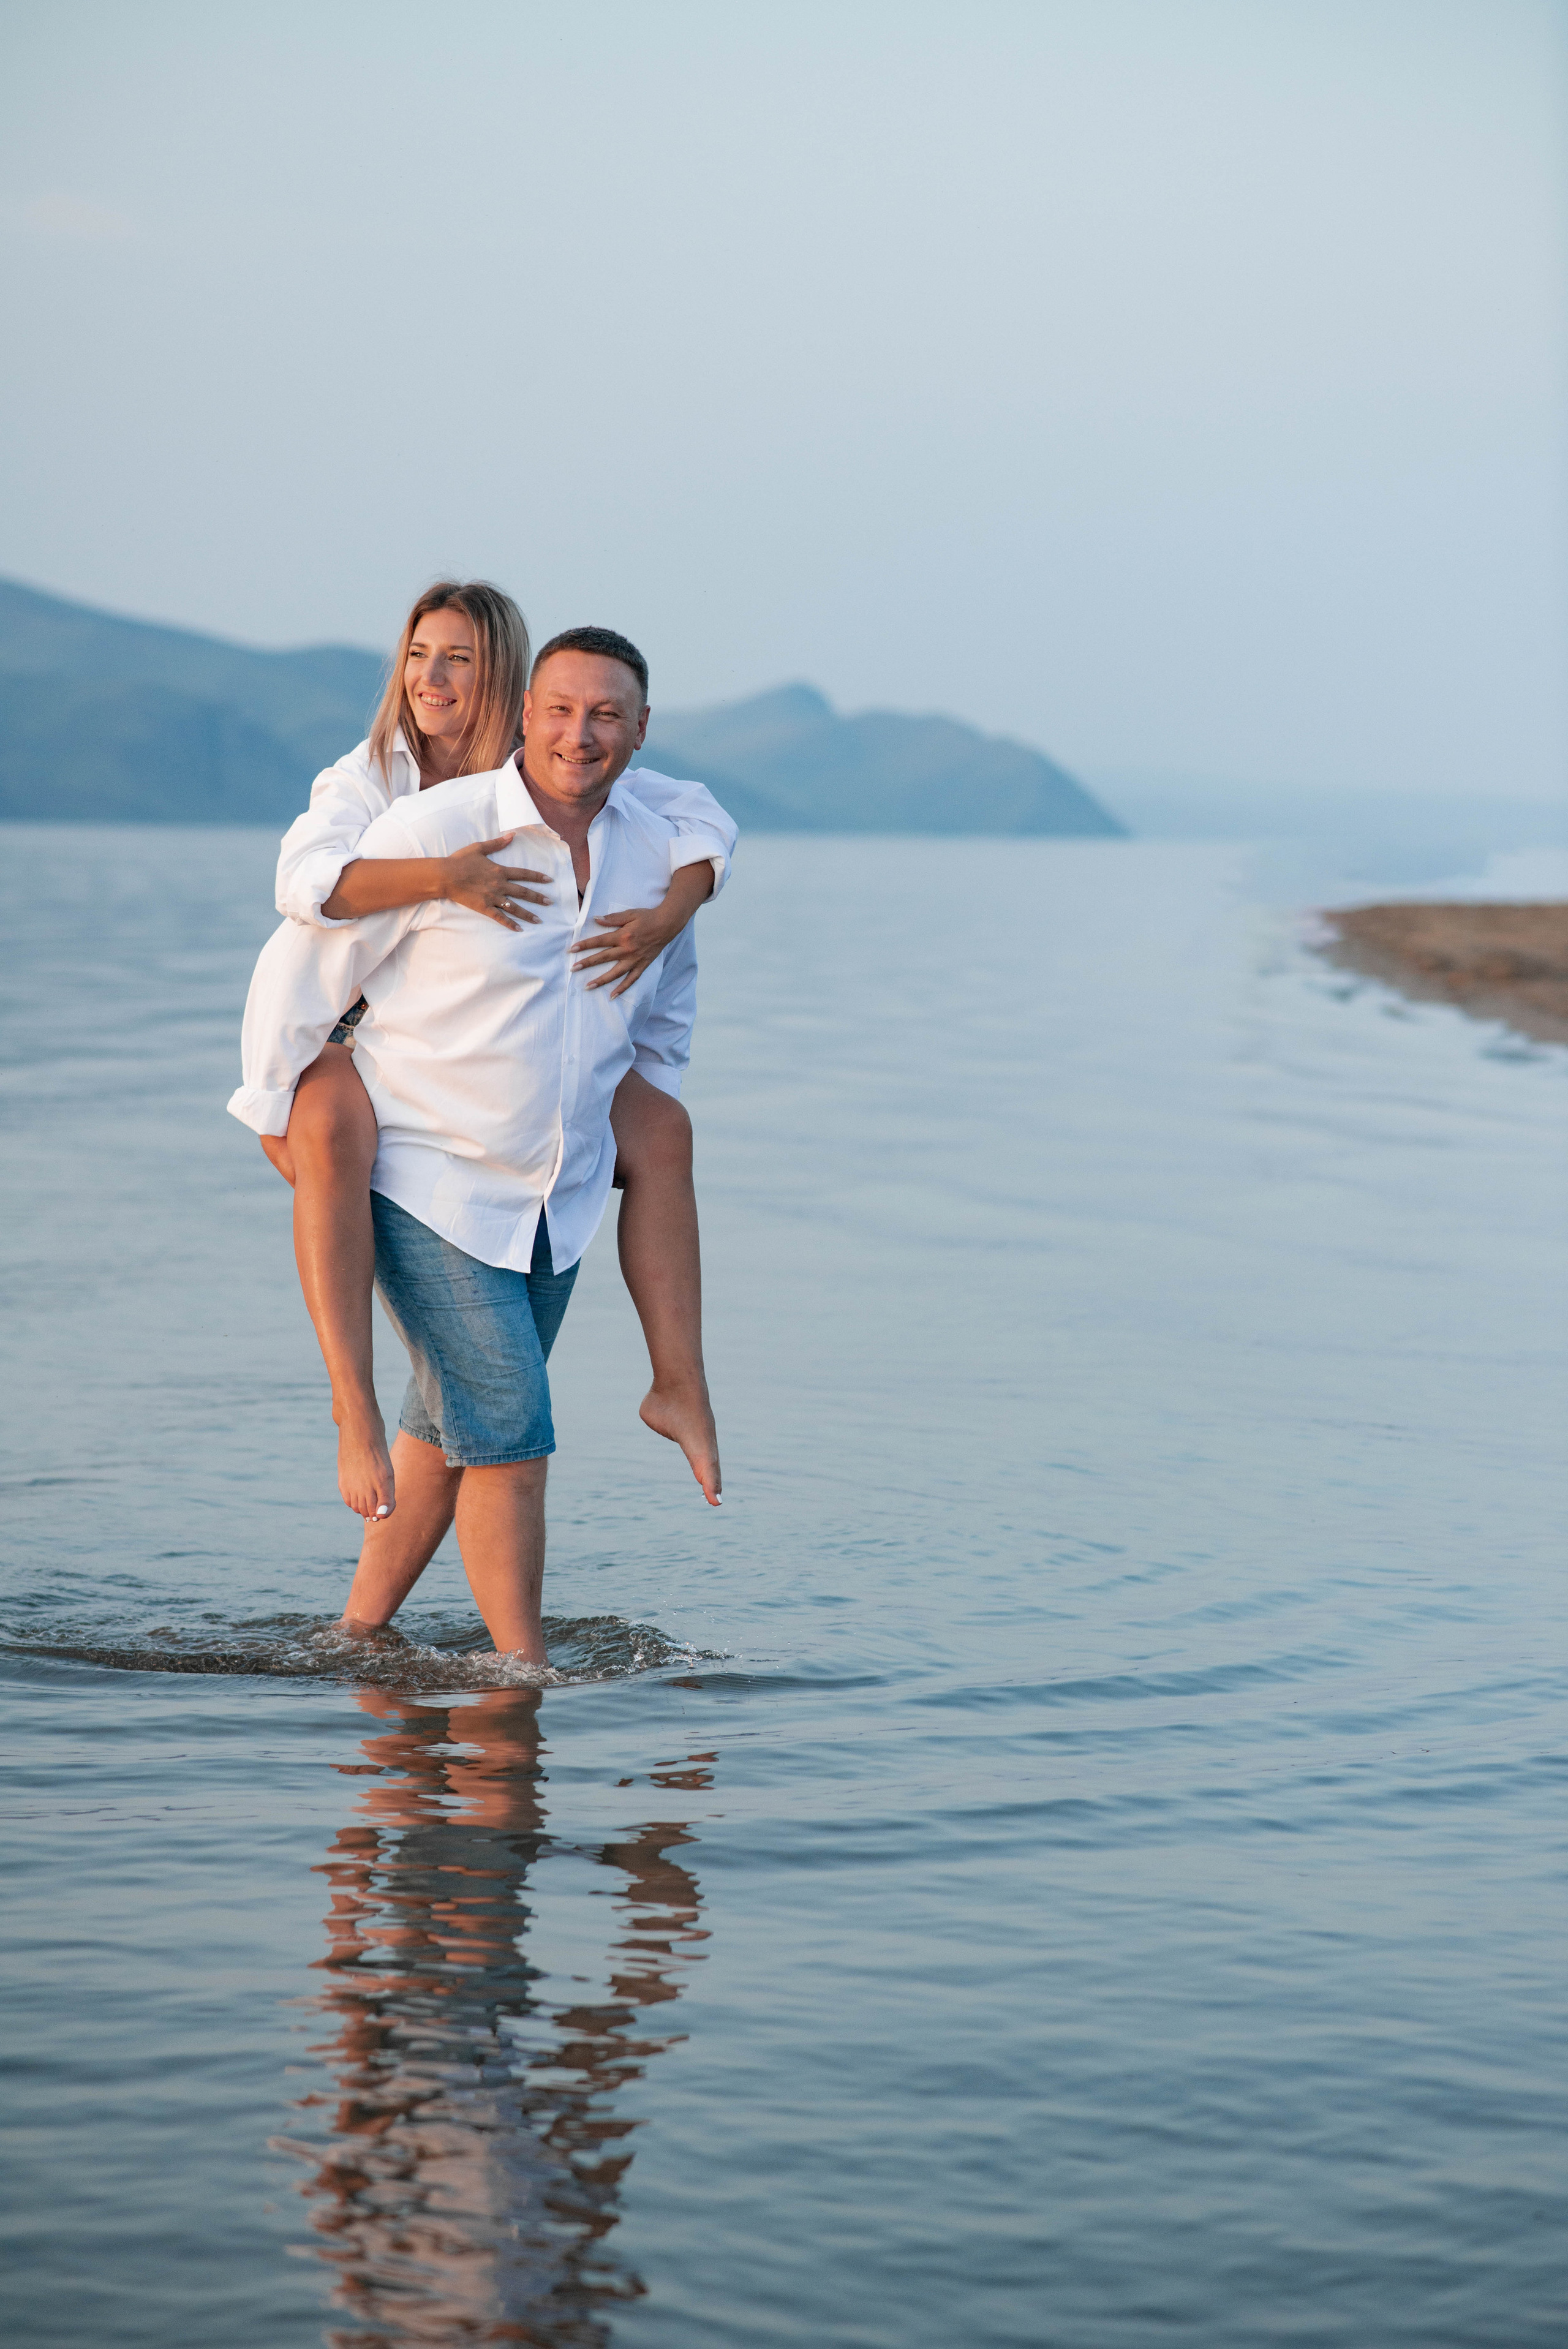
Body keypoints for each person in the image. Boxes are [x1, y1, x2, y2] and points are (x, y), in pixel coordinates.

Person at [230, 627, 715, 1664]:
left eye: (603, 716)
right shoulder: (442, 828)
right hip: (427, 1182)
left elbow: (664, 1010)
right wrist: (280, 1112)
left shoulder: (651, 850)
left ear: (638, 731)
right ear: (526, 713)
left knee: (452, 1434)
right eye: (558, 710)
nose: (578, 735)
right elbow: (301, 966)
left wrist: (636, 1101)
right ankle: (519, 1681)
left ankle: (355, 1639)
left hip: (553, 1198)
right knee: (513, 1439)